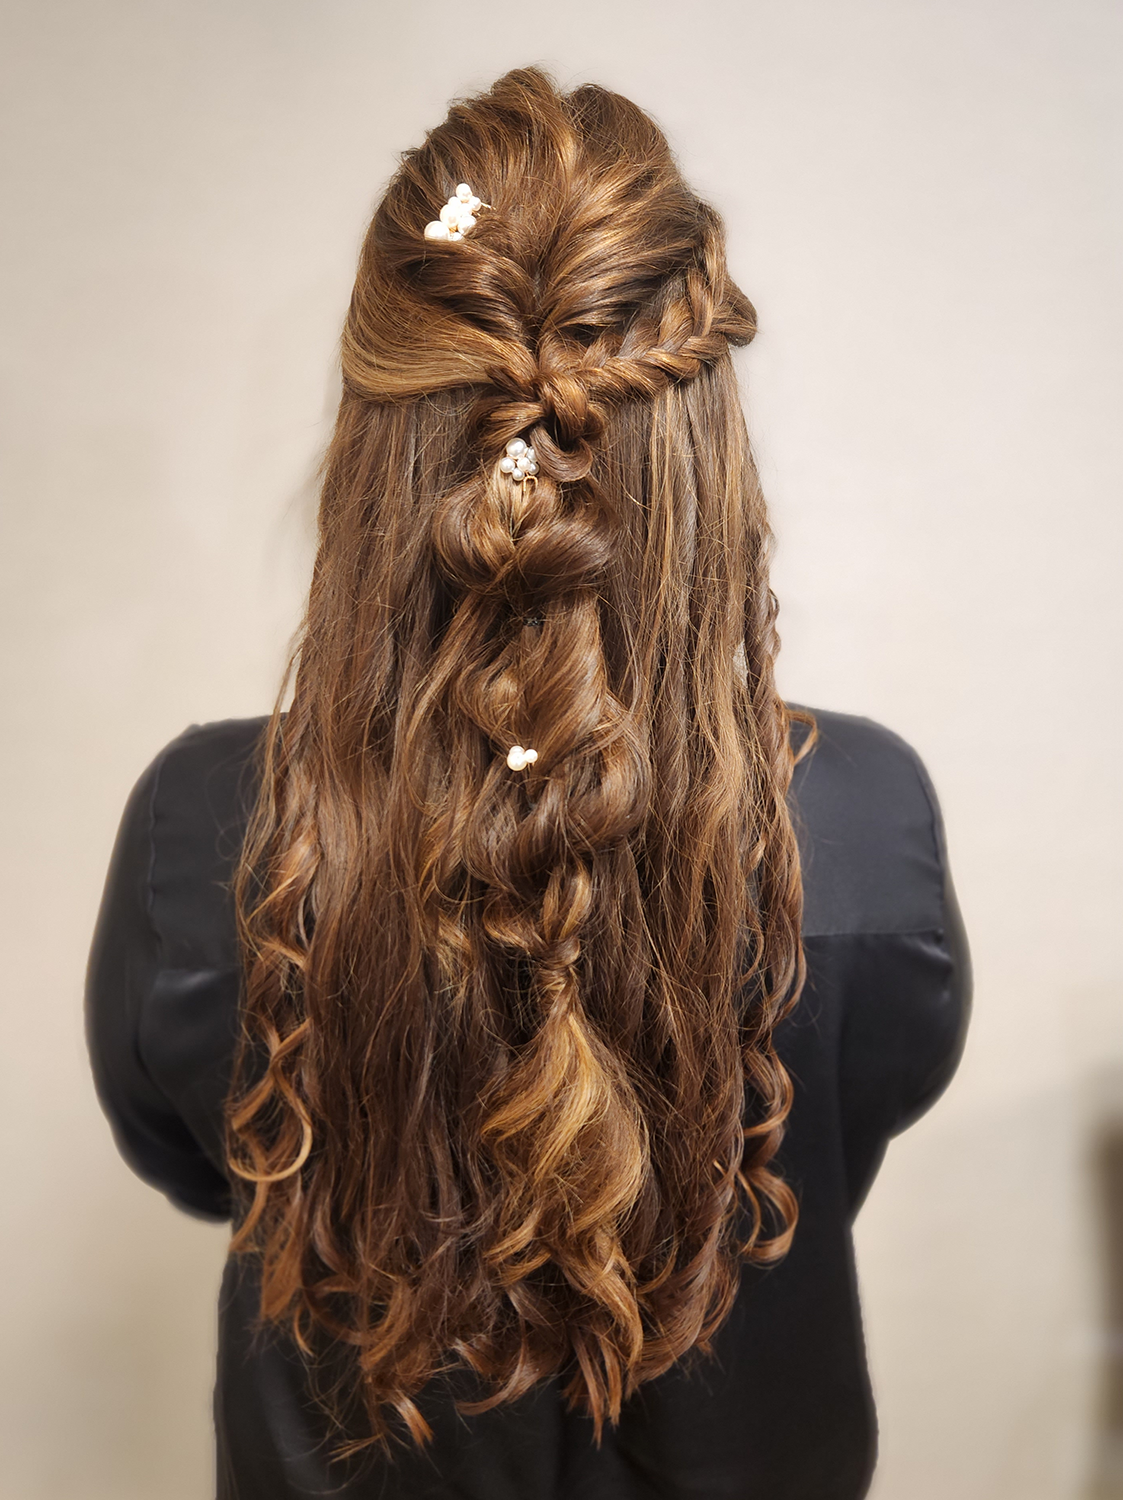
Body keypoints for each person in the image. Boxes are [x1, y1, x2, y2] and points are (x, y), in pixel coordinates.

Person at [86, 67, 971, 1500]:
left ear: (379, 440)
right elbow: (837, 1136)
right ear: (704, 441)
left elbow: (199, 1163)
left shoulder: (203, 830)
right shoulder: (863, 817)